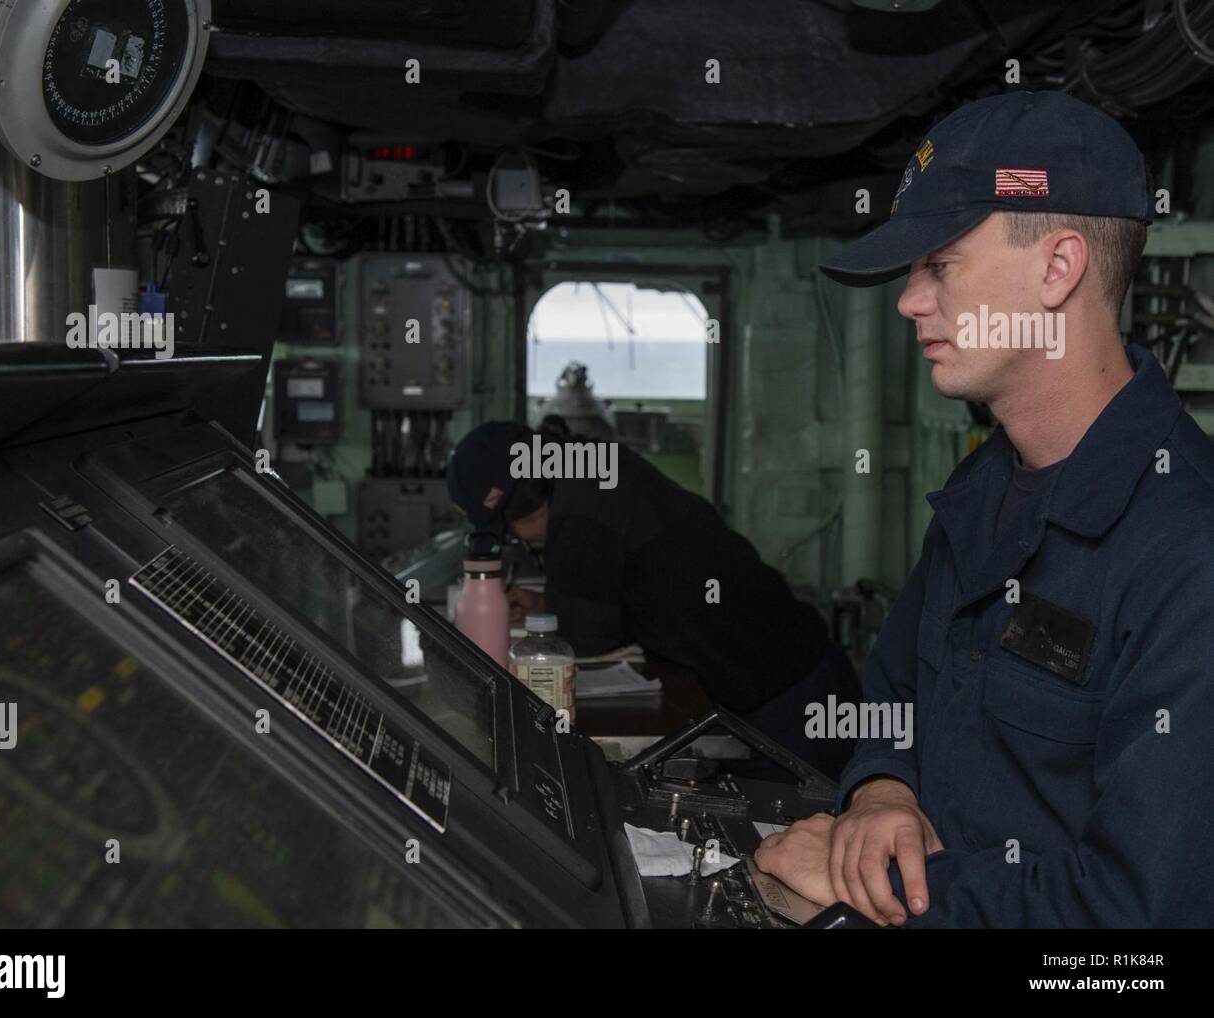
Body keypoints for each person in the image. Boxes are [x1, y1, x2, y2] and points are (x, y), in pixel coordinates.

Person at [754, 90, 1214, 927]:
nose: (908, 300)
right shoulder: (983, 494)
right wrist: (881, 790)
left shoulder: (1189, 553)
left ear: (1057, 268)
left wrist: (883, 898)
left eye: (940, 263)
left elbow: (1138, 928)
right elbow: (896, 685)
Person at [445, 416, 861, 778]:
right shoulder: (585, 465)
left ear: (522, 503)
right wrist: (540, 606)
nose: (515, 538)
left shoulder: (579, 514)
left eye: (510, 527)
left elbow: (586, 636)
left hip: (789, 703)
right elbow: (621, 586)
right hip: (799, 669)